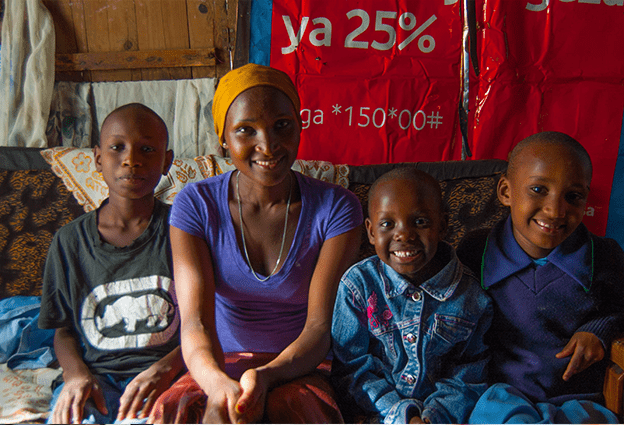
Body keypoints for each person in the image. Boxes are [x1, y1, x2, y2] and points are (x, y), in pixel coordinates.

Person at [148, 63, 363, 424]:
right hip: (216, 363)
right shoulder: (195, 206)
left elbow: (319, 329)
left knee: (288, 411)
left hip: (300, 366)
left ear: (299, 124)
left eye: (282, 125)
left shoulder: (337, 208)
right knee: (178, 412)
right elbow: (196, 323)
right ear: (223, 138)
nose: (268, 144)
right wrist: (218, 386)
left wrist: (264, 377)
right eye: (246, 130)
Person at [458, 131, 624, 423]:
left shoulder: (604, 256)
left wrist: (598, 329)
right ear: (506, 192)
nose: (555, 210)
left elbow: (620, 309)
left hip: (579, 399)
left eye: (573, 196)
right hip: (499, 397)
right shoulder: (475, 251)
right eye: (538, 190)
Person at [38, 103, 184, 424]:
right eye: (117, 148)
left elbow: (206, 322)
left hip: (169, 376)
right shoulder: (70, 242)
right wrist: (76, 376)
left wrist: (167, 368)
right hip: (97, 378)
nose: (131, 160)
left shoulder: (183, 232)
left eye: (147, 149)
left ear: (167, 162)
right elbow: (63, 330)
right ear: (98, 158)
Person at [331, 167, 494, 424]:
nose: (404, 235)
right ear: (371, 232)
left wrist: (432, 417)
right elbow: (350, 368)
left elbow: (468, 375)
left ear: (443, 226)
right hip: (376, 412)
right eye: (387, 224)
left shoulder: (471, 297)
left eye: (420, 222)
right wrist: (402, 416)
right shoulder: (358, 285)